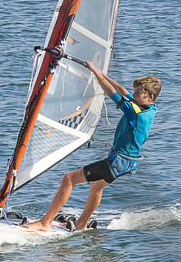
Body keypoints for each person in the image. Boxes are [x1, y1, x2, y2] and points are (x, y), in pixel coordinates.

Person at [26, 61, 161, 233]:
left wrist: (96, 74)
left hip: (117, 162)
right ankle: (82, 223)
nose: (133, 95)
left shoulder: (135, 112)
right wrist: (103, 73)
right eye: (134, 92)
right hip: (128, 163)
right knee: (96, 187)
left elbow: (112, 93)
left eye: (138, 93)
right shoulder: (150, 109)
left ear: (150, 97)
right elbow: (122, 90)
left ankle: (45, 222)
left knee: (69, 179)